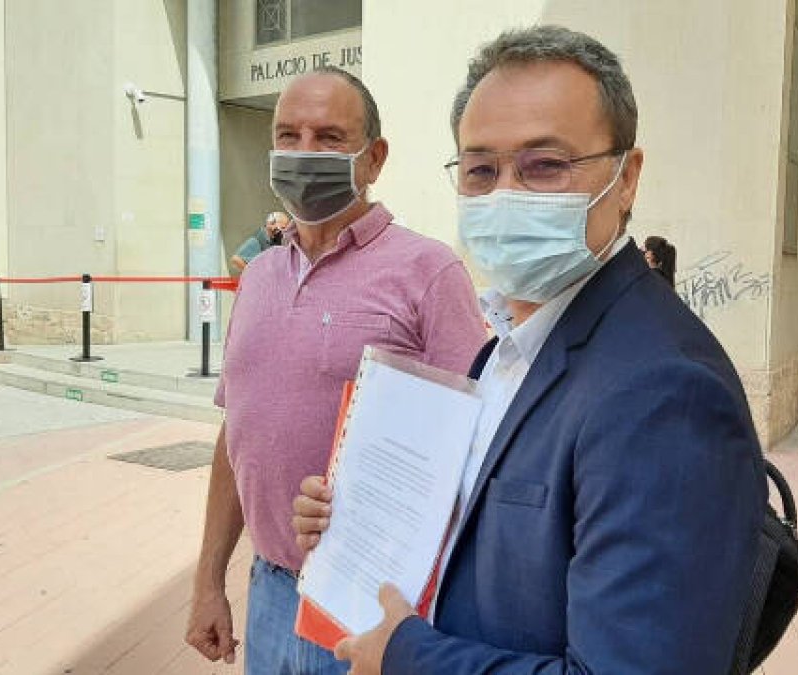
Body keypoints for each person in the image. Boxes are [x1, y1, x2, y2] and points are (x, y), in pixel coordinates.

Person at [292, 26, 766, 674]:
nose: (505, 193)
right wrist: (355, 521)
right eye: (481, 169)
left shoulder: (664, 391)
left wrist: (406, 654)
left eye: (545, 165)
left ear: (625, 178)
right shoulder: (509, 348)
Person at [185, 66, 488, 674]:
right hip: (269, 590)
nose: (303, 153)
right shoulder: (260, 277)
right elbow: (236, 435)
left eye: (328, 137)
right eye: (288, 135)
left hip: (371, 605)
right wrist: (208, 580)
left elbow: (475, 452)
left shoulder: (428, 273)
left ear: (373, 159)